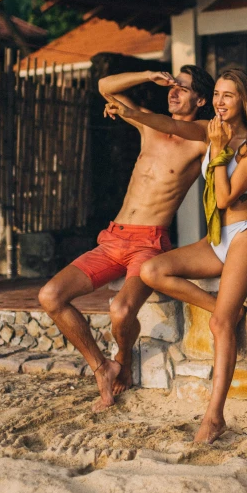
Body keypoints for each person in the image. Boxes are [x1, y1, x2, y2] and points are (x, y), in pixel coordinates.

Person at [106, 68, 247, 444]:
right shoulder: (208, 131)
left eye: (228, 95)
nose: (219, 102)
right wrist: (129, 113)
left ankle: (214, 417)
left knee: (220, 326)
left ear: (243, 100)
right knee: (152, 269)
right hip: (217, 235)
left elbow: (227, 198)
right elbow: (164, 123)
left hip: (246, 234)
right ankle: (221, 305)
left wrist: (218, 153)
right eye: (216, 94)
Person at [39, 65, 215, 412]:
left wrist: (131, 112)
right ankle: (101, 367)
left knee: (120, 311)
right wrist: (150, 75)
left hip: (149, 244)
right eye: (172, 86)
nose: (173, 92)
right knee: (50, 296)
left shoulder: (202, 135)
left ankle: (123, 356)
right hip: (113, 238)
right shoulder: (149, 127)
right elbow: (104, 84)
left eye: (183, 88)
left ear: (201, 99)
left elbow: (190, 126)